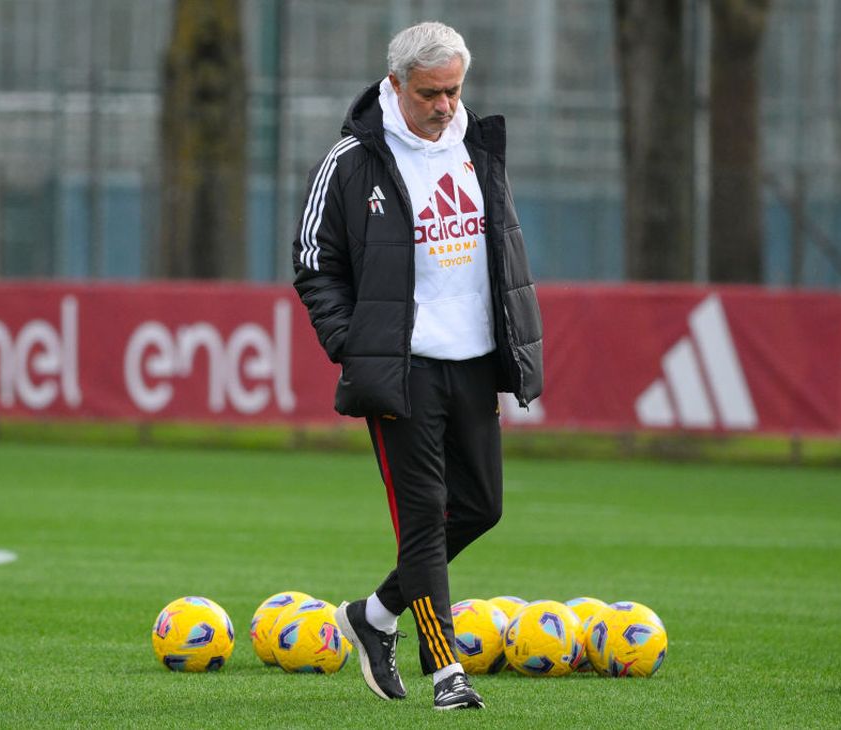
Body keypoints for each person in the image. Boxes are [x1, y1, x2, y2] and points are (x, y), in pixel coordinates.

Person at [292, 20, 543, 711]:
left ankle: (373, 617)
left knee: (482, 508)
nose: (444, 105)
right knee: (424, 522)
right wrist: (356, 342)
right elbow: (313, 260)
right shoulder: (352, 160)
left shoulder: (478, 147)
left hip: (473, 363)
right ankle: (446, 672)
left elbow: (503, 250)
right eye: (430, 93)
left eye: (454, 91)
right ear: (396, 85)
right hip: (401, 370)